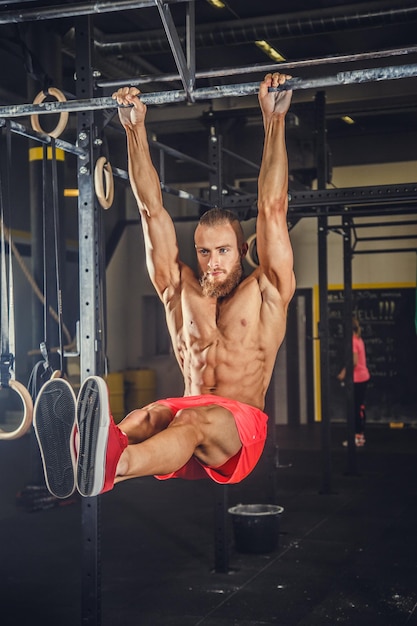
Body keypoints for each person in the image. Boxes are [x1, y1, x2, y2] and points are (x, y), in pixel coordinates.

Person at [33, 72, 296, 499]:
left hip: (238, 425)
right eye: (204, 252)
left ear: (243, 248)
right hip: (189, 409)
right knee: (150, 415)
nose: (212, 263)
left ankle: (109, 464)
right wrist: (133, 128)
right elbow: (150, 209)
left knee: (191, 423)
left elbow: (273, 206)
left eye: (224, 251)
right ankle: (85, 454)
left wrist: (274, 121)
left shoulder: (268, 290)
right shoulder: (178, 290)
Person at [338, 316, 371, 447]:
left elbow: (354, 362)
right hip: (362, 378)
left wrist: (343, 372)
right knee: (359, 407)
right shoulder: (358, 339)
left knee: (355, 408)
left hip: (358, 379)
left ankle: (357, 436)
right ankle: (359, 435)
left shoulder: (353, 341)